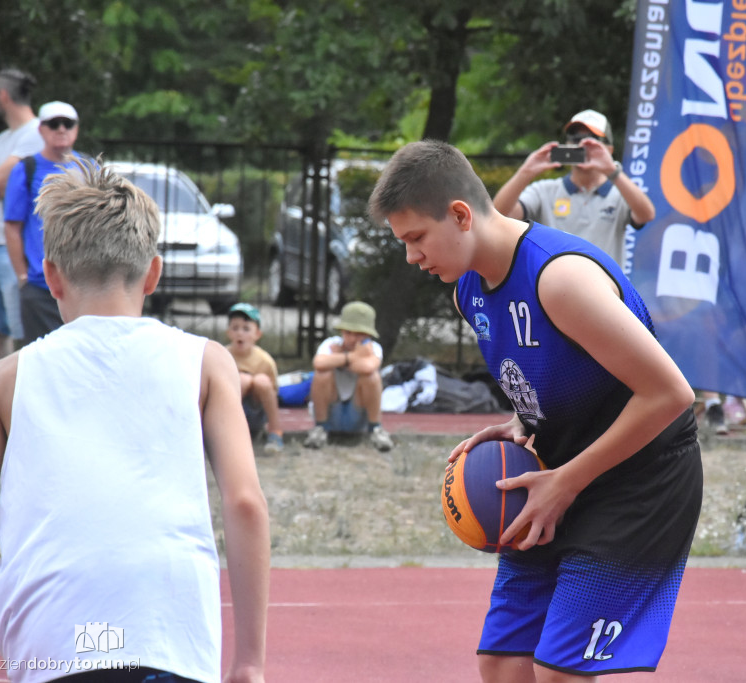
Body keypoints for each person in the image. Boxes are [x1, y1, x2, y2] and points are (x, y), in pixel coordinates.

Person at [369, 140, 701, 681]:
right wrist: (524, 418)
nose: (411, 256)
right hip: (558, 470)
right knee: (502, 666)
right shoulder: (468, 292)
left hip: (640, 478)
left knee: (558, 673)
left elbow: (670, 395)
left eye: (416, 238)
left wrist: (567, 482)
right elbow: (563, 371)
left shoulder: (560, 279)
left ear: (459, 215)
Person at [0, 158, 269, 682]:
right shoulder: (206, 362)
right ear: (153, 272)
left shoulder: (4, 380)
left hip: (51, 644)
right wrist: (249, 661)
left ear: (51, 277)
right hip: (168, 637)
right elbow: (245, 502)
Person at [492, 109, 655, 268]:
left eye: (592, 139)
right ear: (566, 145)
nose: (582, 145)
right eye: (575, 139)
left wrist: (612, 171)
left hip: (604, 291)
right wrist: (525, 172)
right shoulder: (545, 191)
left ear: (609, 149)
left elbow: (646, 214)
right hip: (551, 289)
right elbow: (499, 214)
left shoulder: (620, 193)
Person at [4, 101, 83, 344]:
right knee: (38, 357)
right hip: (40, 285)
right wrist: (23, 276)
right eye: (53, 124)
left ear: (76, 129)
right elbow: (12, 226)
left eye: (67, 123)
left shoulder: (88, 167)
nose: (61, 129)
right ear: (41, 129)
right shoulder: (26, 169)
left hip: (81, 282)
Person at [0, 68, 44, 364]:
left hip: (10, 250)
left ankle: (18, 398)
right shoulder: (1, 139)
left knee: (21, 331)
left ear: (2, 96)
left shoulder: (36, 133)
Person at [302, 300, 393, 452]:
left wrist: (338, 358)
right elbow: (318, 363)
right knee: (321, 374)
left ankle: (375, 429)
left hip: (358, 413)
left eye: (358, 334)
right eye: (348, 333)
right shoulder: (330, 343)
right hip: (332, 411)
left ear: (368, 334)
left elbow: (368, 367)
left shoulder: (373, 348)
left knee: (371, 377)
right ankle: (320, 429)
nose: (352, 339)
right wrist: (352, 356)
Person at [227, 302, 285, 454]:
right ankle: (227, 434)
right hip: (228, 411)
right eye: (235, 328)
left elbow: (273, 392)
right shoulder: (223, 356)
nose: (240, 333)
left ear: (257, 334)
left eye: (246, 329)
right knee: (242, 380)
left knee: (261, 381)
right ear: (229, 333)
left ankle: (275, 432)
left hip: (256, 411)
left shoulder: (265, 360)